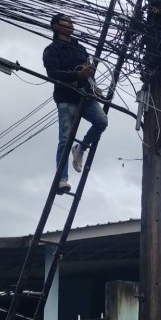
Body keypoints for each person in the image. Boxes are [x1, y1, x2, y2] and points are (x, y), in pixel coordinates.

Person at [43, 13, 108, 193]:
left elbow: (89, 72)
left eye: (71, 21)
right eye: (66, 21)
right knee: (65, 138)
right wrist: (77, 75)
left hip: (84, 95)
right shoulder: (52, 50)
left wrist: (94, 87)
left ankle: (80, 148)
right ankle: (61, 179)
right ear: (56, 26)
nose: (71, 24)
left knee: (102, 121)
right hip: (66, 97)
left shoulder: (79, 48)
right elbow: (53, 74)